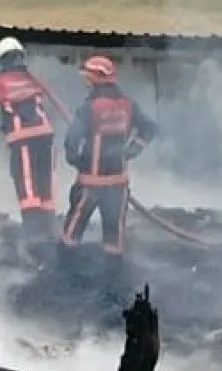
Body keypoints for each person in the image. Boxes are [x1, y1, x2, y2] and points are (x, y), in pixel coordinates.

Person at [60, 55, 157, 257]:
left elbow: (72, 141)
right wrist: (133, 150)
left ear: (96, 78)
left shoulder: (89, 108)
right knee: (114, 237)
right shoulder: (128, 105)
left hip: (90, 184)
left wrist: (76, 160)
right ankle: (114, 270)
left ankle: (65, 266)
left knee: (72, 232)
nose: (86, 81)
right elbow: (148, 128)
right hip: (118, 185)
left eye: (88, 77)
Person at [0, 37, 58, 241]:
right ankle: (49, 229)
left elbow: (1, 100)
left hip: (23, 137)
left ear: (1, 60)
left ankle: (34, 234)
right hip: (45, 135)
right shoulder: (32, 79)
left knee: (27, 187)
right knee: (45, 185)